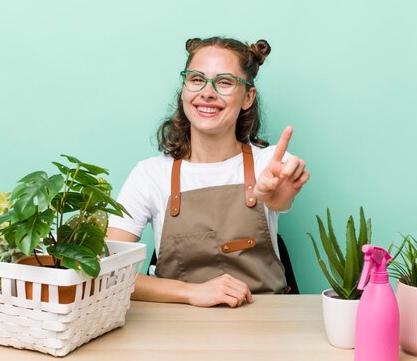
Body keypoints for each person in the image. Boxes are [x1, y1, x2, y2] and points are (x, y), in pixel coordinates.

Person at [106, 36, 310, 308]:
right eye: (196, 79)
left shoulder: (269, 164)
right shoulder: (150, 174)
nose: (207, 92)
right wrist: (191, 292)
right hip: (174, 331)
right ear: (184, 90)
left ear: (248, 97)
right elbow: (107, 272)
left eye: (224, 82)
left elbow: (278, 197)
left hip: (265, 329)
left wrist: (276, 197)